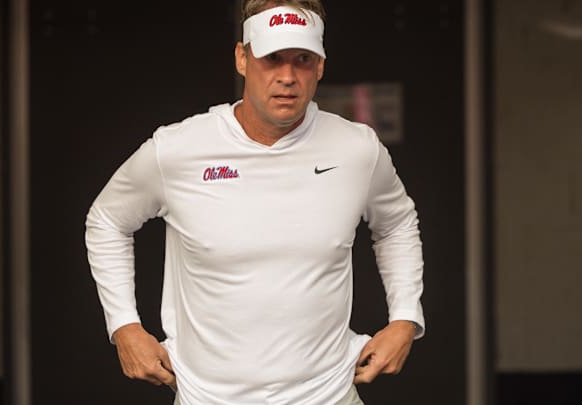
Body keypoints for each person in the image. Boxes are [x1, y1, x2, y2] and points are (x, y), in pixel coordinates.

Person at [85, 0, 425, 404]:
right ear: (242, 58)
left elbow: (396, 224)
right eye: (272, 59)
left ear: (320, 65)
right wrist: (124, 326)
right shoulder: (177, 149)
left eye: (302, 59)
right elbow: (107, 220)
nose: (287, 76)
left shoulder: (358, 149)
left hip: (328, 395)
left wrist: (405, 318)